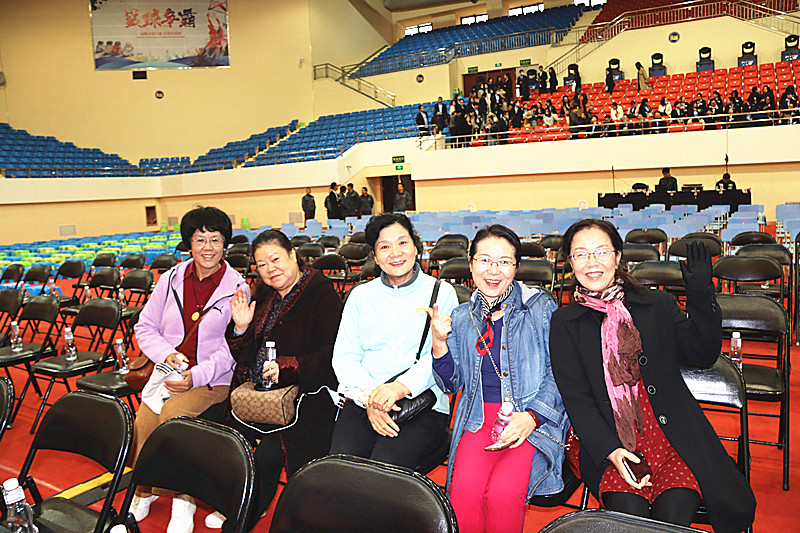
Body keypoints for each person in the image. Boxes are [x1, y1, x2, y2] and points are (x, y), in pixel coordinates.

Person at [549, 219, 756, 533]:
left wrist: (701, 293)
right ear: (570, 263)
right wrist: (611, 451)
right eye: (581, 254)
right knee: (629, 518)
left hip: (673, 438)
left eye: (601, 252)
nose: (592, 262)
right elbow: (577, 399)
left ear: (618, 256)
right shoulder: (565, 322)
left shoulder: (656, 304)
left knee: (672, 517)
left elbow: (702, 354)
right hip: (610, 441)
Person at [430, 225, 569, 533]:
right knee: (463, 492)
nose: (493, 271)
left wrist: (532, 417)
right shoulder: (462, 317)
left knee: (503, 495)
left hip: (531, 416)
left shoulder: (539, 308)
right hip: (479, 417)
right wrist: (439, 343)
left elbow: (560, 372)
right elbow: (450, 385)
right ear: (470, 264)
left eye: (504, 262)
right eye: (485, 260)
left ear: (516, 267)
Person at [208, 229, 342, 532]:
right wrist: (241, 328)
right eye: (262, 264)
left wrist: (289, 367)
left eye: (276, 259)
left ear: (293, 255)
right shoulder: (263, 294)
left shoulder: (320, 292)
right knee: (215, 436)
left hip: (303, 397)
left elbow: (333, 353)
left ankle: (244, 517)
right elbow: (243, 353)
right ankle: (233, 499)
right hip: (255, 394)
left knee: (268, 455)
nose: (270, 269)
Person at [130, 206, 248, 533]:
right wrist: (167, 355)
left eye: (215, 239)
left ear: (225, 244)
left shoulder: (237, 287)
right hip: (168, 373)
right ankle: (144, 490)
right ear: (189, 243)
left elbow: (233, 349)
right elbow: (145, 326)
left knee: (174, 417)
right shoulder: (170, 279)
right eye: (200, 239)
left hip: (212, 379)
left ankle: (184, 500)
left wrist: (195, 376)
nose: (207, 247)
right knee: (144, 422)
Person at [329, 213, 459, 468]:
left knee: (384, 469)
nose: (395, 253)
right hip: (365, 399)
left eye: (402, 242)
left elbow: (442, 354)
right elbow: (344, 357)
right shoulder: (360, 296)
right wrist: (372, 398)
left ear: (416, 247)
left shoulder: (441, 292)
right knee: (341, 466)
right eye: (384, 247)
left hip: (421, 402)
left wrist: (399, 388)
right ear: (375, 256)